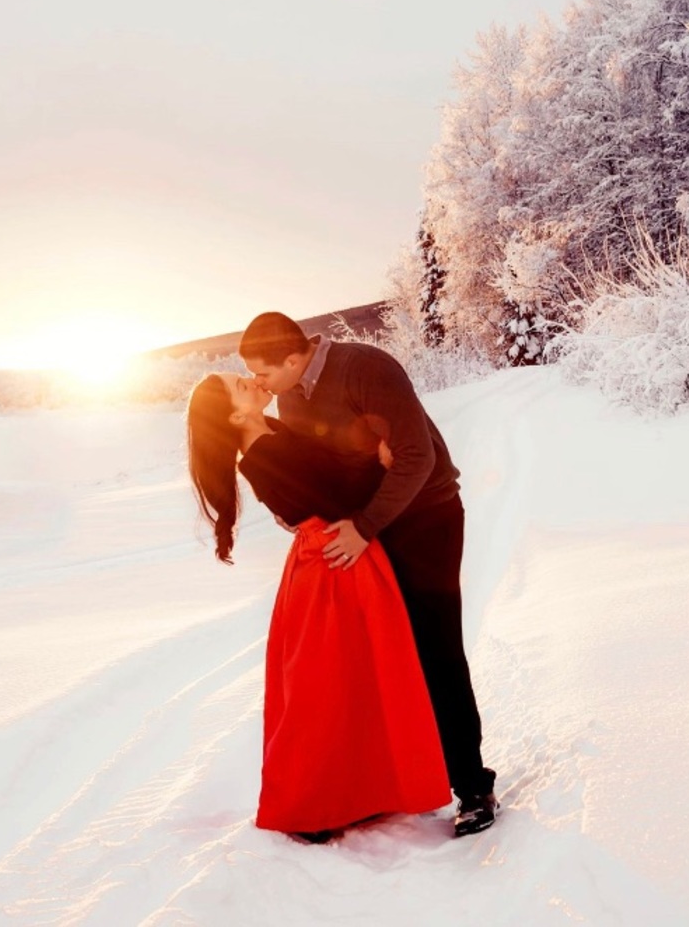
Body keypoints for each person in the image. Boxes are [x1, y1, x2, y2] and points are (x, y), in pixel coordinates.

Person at [238, 312, 498, 837]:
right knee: (378, 656)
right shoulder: (290, 398)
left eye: (262, 373)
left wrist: (364, 523)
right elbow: (332, 471)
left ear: (292, 360)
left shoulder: (366, 368)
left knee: (435, 652)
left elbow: (417, 457)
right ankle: (382, 784)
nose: (259, 384)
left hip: (426, 522)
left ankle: (473, 786)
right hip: (373, 532)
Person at [187, 372, 452, 842]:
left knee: (362, 681)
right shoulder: (261, 458)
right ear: (234, 415)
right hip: (332, 566)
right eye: (239, 385)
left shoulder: (273, 429)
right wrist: (387, 462)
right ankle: (315, 806)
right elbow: (336, 497)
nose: (250, 380)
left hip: (342, 555)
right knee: (326, 688)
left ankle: (366, 790)